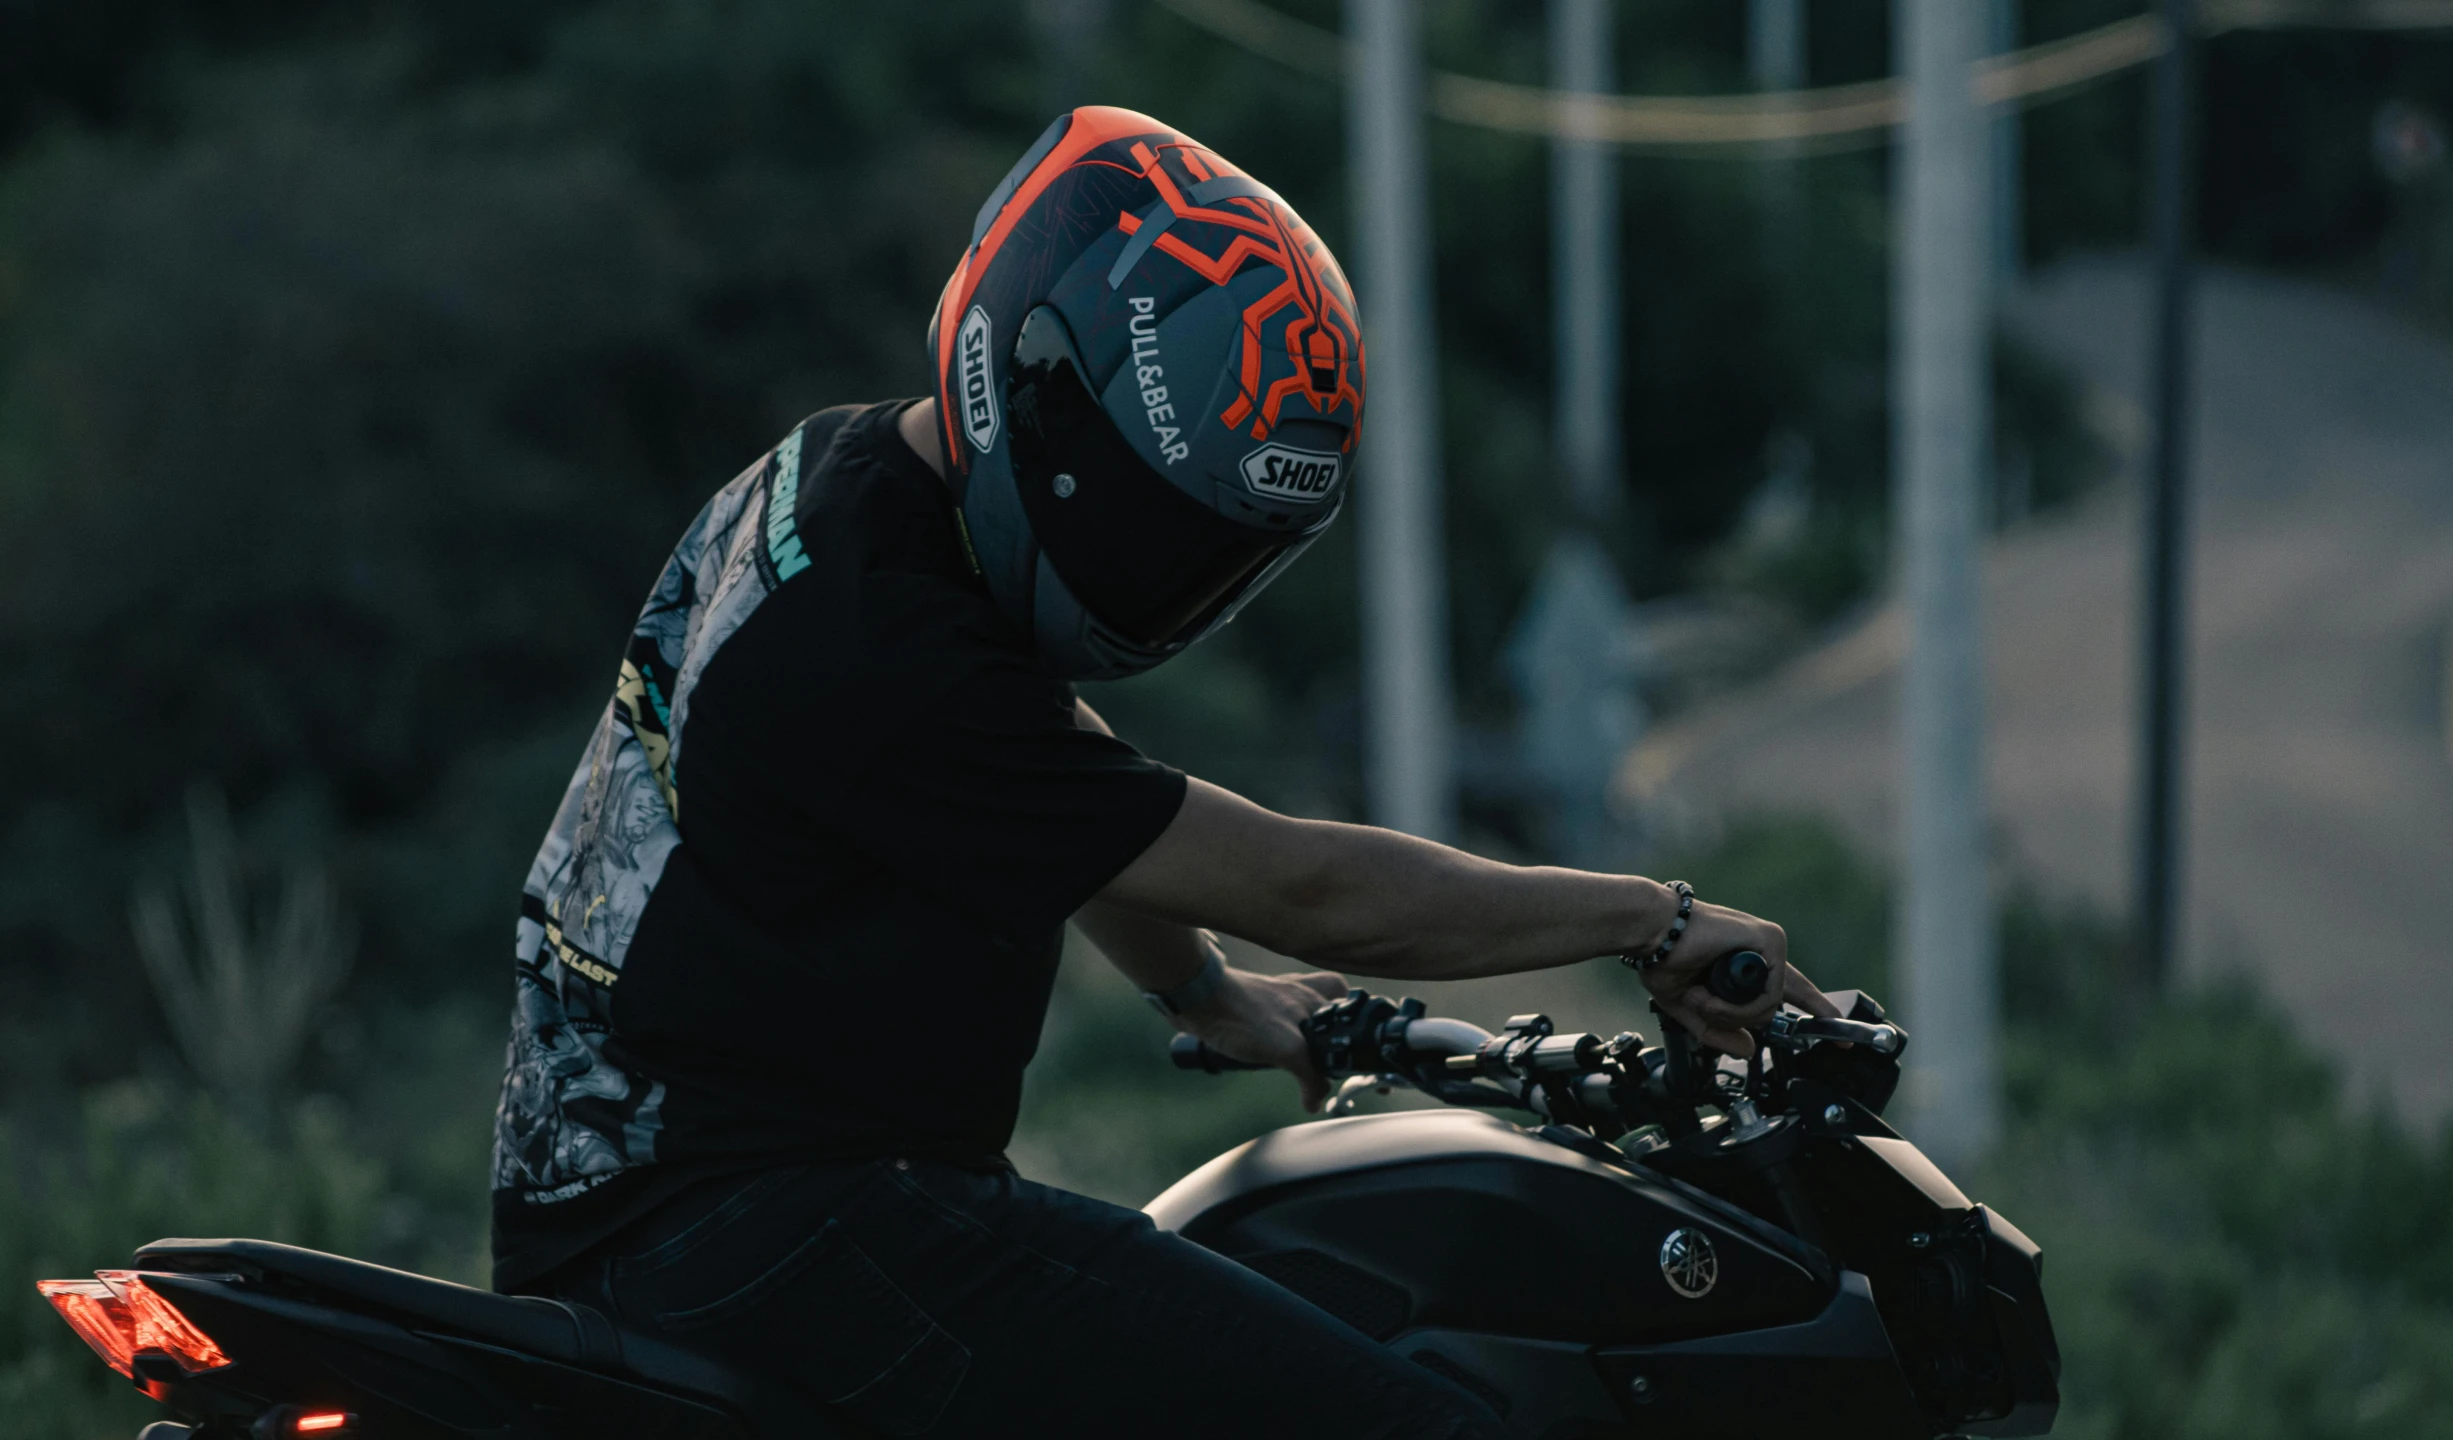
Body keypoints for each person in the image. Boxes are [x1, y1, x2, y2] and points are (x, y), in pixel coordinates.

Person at [489, 106, 1832, 1439]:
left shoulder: (850, 487)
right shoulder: (889, 651)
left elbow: (1074, 805)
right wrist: (1646, 919)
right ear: (1029, 384)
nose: (1158, 578)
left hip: (681, 1212)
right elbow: (1310, 889)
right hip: (763, 1229)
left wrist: (1203, 993)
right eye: (1138, 517)